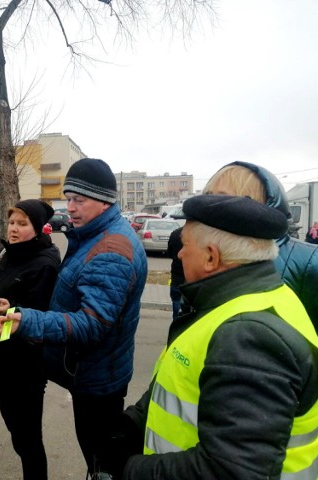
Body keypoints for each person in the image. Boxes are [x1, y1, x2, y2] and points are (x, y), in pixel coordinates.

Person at [111, 194, 318, 479]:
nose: (179, 254)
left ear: (211, 256)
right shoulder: (243, 300)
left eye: (184, 246)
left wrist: (129, 469)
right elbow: (184, 383)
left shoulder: (249, 337)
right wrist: (132, 424)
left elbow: (229, 471)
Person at [0, 158, 148, 479]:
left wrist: (24, 319)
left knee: (102, 463)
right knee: (98, 459)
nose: (70, 207)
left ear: (104, 201)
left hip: (97, 380)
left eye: (79, 200)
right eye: (68, 198)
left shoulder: (111, 249)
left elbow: (91, 325)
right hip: (90, 372)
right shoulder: (94, 235)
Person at [0, 199, 61, 479]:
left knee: (27, 440)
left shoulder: (44, 263)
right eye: (12, 222)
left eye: (22, 224)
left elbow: (38, 320)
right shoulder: (8, 252)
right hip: (1, 357)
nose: (13, 229)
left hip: (25, 366)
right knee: (18, 434)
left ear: (38, 229)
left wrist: (7, 314)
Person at [203, 161, 318, 332]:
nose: (211, 205)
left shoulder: (309, 259)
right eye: (209, 196)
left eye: (222, 197)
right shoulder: (206, 250)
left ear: (258, 202)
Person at [166, 226, 189, 321]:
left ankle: (176, 321)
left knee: (176, 301)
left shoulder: (175, 233)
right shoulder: (199, 235)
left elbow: (169, 252)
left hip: (176, 274)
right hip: (190, 277)